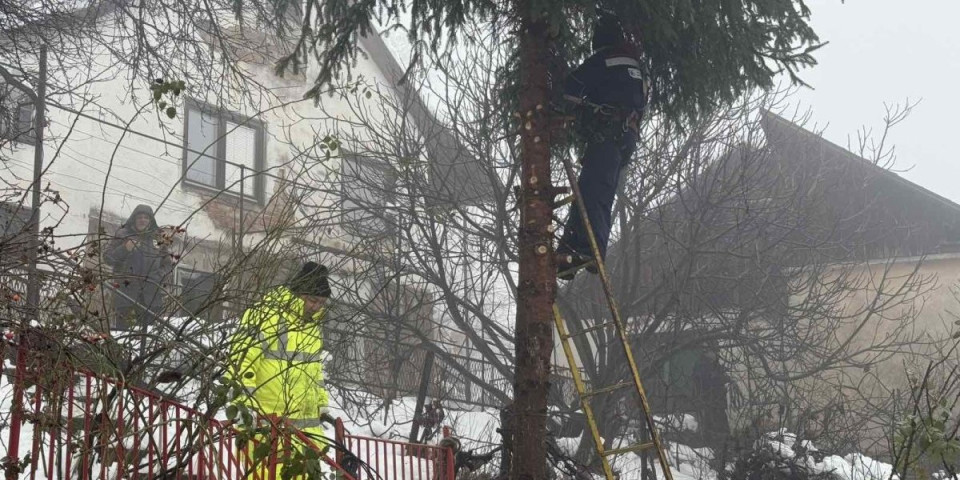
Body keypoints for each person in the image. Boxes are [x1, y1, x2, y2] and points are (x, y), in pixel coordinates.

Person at [557, 11, 647, 280]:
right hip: (626, 137)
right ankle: (571, 251)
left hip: (608, 134)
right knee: (593, 190)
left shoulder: (606, 60)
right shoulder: (637, 68)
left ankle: (589, 251)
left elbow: (571, 87)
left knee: (594, 191)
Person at [227, 261, 333, 473]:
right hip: (266, 430)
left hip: (304, 437)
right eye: (312, 300)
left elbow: (314, 372)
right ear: (296, 293)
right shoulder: (265, 316)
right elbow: (241, 361)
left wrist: (321, 403)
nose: (316, 307)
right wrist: (242, 405)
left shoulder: (313, 327)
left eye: (321, 302)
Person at [104, 204, 172, 329]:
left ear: (151, 221)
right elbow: (108, 258)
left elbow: (167, 264)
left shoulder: (158, 238)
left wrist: (157, 277)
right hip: (126, 293)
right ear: (134, 219)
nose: (142, 220)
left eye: (146, 217)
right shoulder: (123, 234)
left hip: (151, 295)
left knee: (149, 335)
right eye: (139, 217)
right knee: (123, 332)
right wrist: (124, 248)